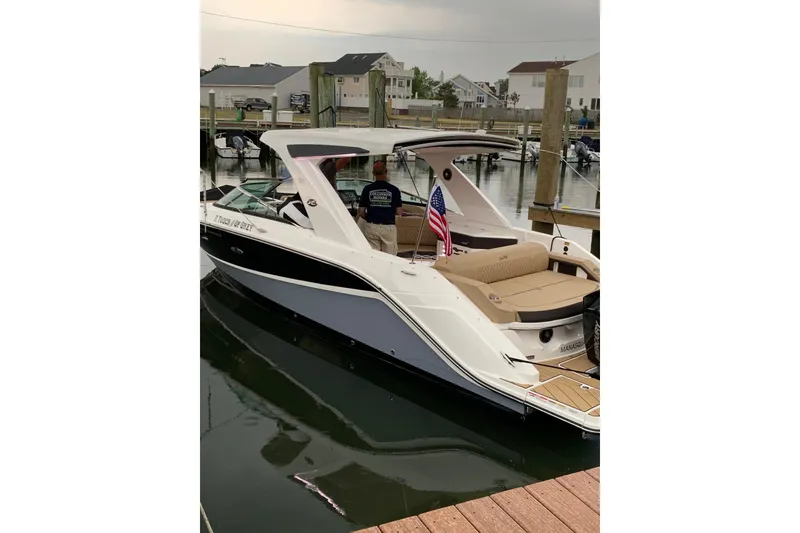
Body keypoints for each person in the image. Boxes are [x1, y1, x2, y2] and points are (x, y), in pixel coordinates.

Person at [358, 161, 403, 255]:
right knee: (390, 257)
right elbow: (399, 212)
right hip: (388, 227)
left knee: (374, 255)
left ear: (373, 173)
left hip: (371, 226)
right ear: (386, 172)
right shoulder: (394, 190)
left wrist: (370, 217)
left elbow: (361, 212)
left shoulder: (367, 189)